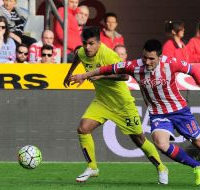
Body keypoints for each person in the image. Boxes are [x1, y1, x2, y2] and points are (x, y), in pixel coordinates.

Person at [70, 39, 200, 187]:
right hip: (158, 113)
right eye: (145, 57)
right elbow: (106, 68)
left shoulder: (171, 63)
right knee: (160, 142)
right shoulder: (134, 66)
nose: (148, 62)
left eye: (152, 59)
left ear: (160, 57)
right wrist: (84, 75)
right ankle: (196, 165)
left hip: (179, 110)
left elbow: (193, 71)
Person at [63, 26, 169, 185]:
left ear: (99, 42)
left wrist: (101, 75)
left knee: (139, 140)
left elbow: (125, 75)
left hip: (122, 105)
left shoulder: (109, 55)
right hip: (102, 101)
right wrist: (68, 74)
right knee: (83, 128)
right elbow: (78, 56)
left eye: (91, 43)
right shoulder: (83, 52)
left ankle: (161, 168)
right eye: (85, 43)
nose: (87, 47)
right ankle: (92, 167)